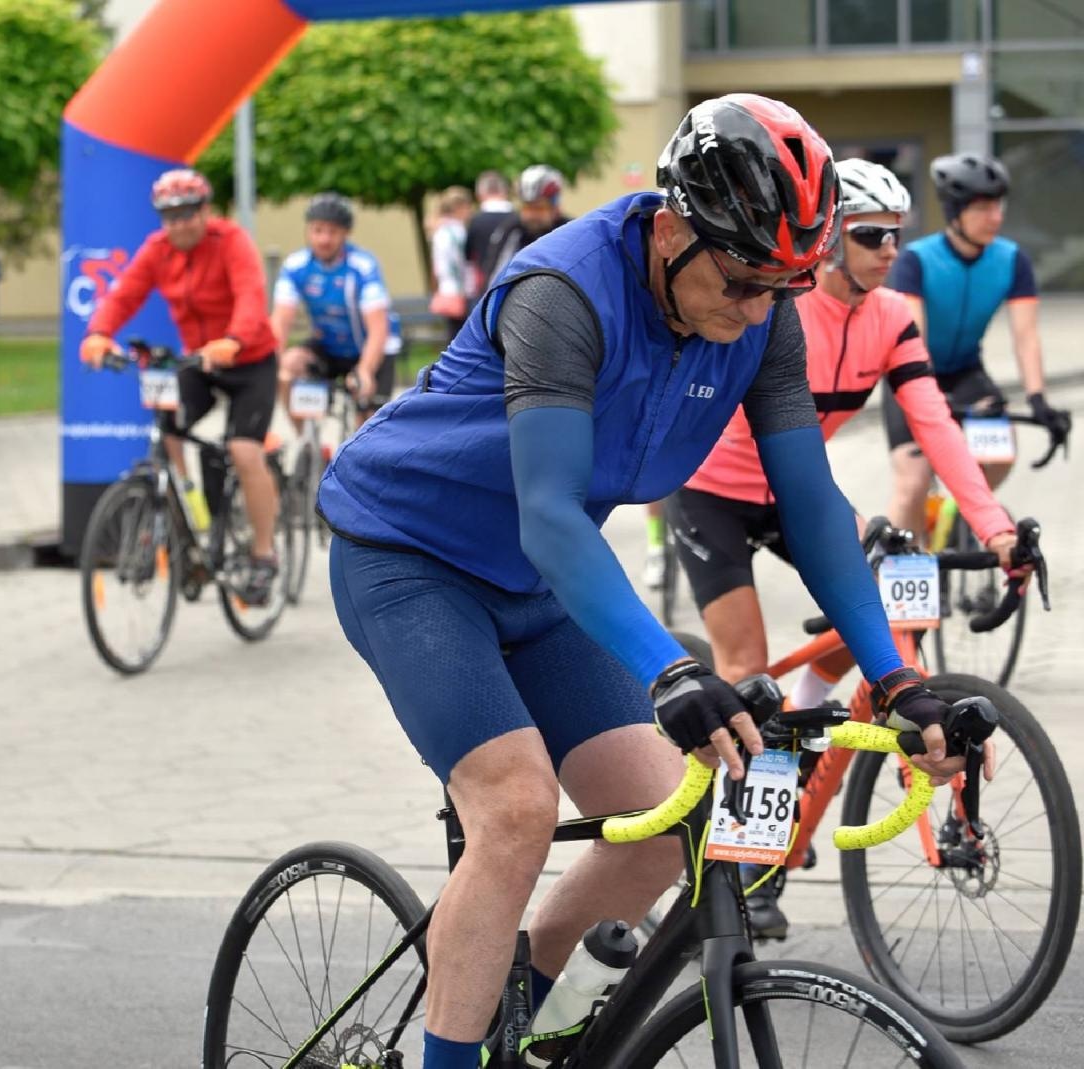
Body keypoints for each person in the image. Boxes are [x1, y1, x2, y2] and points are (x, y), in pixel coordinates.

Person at [316, 94, 970, 1069]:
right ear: (670, 228)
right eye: (743, 279)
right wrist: (670, 671)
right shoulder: (562, 292)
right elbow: (547, 514)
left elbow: (812, 509)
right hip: (409, 557)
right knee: (517, 807)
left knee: (675, 814)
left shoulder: (763, 313)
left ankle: (516, 995)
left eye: (783, 286)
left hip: (542, 584)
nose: (758, 309)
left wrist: (898, 680)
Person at [666, 158, 1021, 938]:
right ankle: (743, 868)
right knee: (746, 669)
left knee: (871, 627)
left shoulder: (893, 317)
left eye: (896, 236)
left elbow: (934, 425)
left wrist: (992, 523)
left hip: (798, 494)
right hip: (714, 491)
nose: (889, 250)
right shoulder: (783, 308)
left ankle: (799, 745)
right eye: (869, 235)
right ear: (828, 241)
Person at [78, 168, 280, 606]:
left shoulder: (231, 242)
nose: (178, 224)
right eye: (169, 217)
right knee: (167, 426)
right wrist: (98, 333)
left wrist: (235, 339)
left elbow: (250, 293)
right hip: (199, 360)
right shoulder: (158, 249)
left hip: (248, 358)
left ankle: (264, 554)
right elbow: (124, 295)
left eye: (187, 214)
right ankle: (188, 521)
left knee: (244, 450)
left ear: (205, 211)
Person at [883, 153, 1070, 540]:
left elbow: (1026, 336)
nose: (995, 217)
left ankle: (958, 515)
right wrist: (931, 402)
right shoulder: (917, 260)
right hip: (912, 375)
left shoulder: (1011, 260)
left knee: (1001, 453)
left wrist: (1037, 397)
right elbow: (914, 340)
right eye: (983, 208)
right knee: (913, 482)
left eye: (997, 206)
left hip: (966, 369)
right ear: (955, 213)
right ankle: (909, 576)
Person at [271, 192, 403, 428]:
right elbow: (281, 320)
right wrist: (276, 362)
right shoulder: (296, 265)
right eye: (317, 230)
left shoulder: (362, 266)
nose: (324, 239)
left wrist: (364, 370)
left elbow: (378, 327)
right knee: (287, 369)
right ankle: (305, 444)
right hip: (330, 345)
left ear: (345, 233)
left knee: (368, 426)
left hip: (371, 347)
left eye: (332, 232)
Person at [483, 165, 575, 285]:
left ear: (555, 207)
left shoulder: (569, 232)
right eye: (527, 207)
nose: (532, 215)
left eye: (539, 208)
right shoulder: (512, 230)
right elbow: (494, 277)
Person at [428, 186, 473, 343]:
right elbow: (461, 263)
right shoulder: (456, 231)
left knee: (453, 337)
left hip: (446, 290)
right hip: (460, 292)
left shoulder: (440, 230)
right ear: (459, 207)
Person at [464, 169, 515, 304]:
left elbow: (469, 259)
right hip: (515, 285)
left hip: (486, 289)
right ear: (505, 191)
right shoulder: (517, 218)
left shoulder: (476, 221)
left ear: (480, 193)